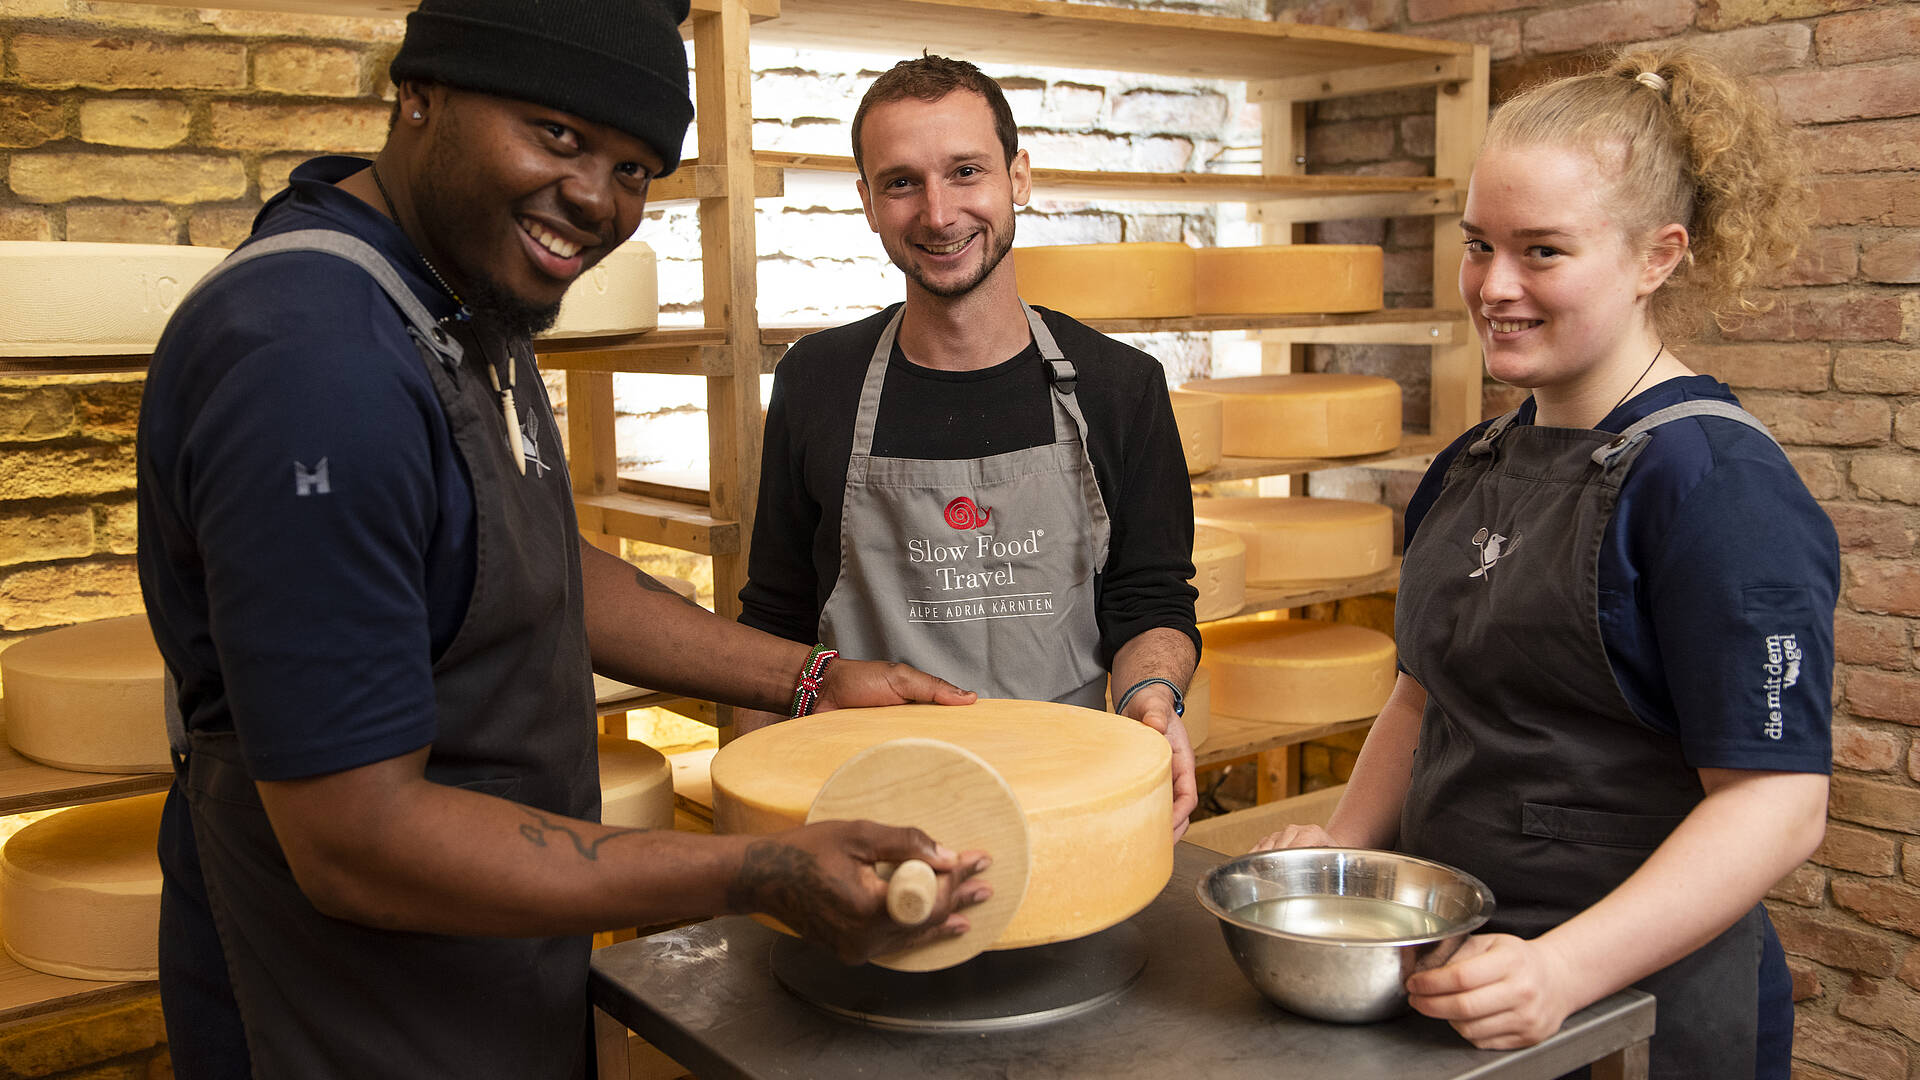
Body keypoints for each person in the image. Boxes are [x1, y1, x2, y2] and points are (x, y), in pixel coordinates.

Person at [135, 3, 995, 1077]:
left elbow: (524, 562)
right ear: (420, 95)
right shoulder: (317, 365)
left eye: (634, 168)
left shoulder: (455, 292)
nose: (595, 199)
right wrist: (749, 874)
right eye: (556, 134)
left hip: (490, 979)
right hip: (346, 1013)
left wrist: (816, 680)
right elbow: (357, 843)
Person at [1256, 45, 1835, 1079]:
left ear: (1659, 256)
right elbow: (1424, 697)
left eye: (1544, 252)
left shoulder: (1714, 486)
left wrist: (1565, 970)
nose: (1494, 285)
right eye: (1480, 244)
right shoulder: (1474, 462)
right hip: (1462, 982)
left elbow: (1777, 804)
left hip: (1636, 1011)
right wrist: (1339, 853)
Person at [737, 55, 1201, 836]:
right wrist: (755, 819)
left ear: (1018, 177)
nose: (940, 213)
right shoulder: (817, 382)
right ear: (866, 202)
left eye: (965, 172)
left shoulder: (1122, 387)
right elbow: (775, 618)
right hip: (863, 809)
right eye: (901, 183)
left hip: (1066, 805)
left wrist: (1151, 699)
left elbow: (1148, 598)